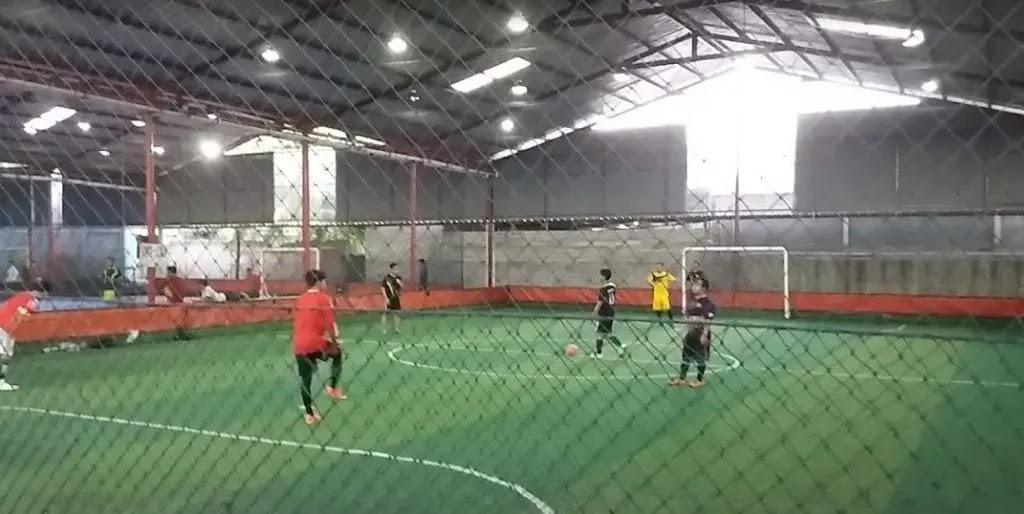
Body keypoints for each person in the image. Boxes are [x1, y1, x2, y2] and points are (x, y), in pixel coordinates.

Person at [294, 269, 345, 425]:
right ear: (318, 282)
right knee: (337, 354)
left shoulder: (300, 299)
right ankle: (332, 388)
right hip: (316, 343)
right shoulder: (324, 299)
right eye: (324, 281)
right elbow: (330, 323)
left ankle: (309, 414)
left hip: (299, 344)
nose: (325, 284)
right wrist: (334, 343)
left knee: (305, 379)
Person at [0, 281, 48, 391]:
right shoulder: (31, 300)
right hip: (5, 327)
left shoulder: (20, 296)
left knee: (4, 355)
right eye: (45, 294)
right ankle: (1, 382)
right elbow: (22, 313)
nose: (45, 297)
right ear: (42, 292)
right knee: (5, 355)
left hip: (3, 325)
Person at [670, 277, 716, 389]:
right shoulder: (692, 302)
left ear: (704, 288)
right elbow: (689, 317)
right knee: (686, 356)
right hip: (691, 333)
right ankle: (682, 378)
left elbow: (708, 321)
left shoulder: (708, 304)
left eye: (697, 285)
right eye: (694, 284)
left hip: (700, 333)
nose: (694, 287)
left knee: (700, 357)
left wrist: (704, 335)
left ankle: (699, 380)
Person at [591, 268, 627, 359]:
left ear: (604, 277)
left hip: (604, 313)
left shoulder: (603, 289)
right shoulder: (612, 286)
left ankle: (599, 353)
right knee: (607, 334)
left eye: (600, 276)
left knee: (600, 334)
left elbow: (600, 302)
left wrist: (594, 312)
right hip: (611, 311)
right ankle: (621, 346)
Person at [381, 262, 402, 335]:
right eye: (396, 269)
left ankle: (397, 328)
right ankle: (384, 329)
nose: (397, 270)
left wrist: (399, 283)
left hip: (396, 298)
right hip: (389, 298)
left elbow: (401, 287)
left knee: (397, 313)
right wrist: (386, 298)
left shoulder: (398, 278)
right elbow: (382, 288)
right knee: (386, 314)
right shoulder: (386, 278)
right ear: (392, 269)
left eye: (398, 269)